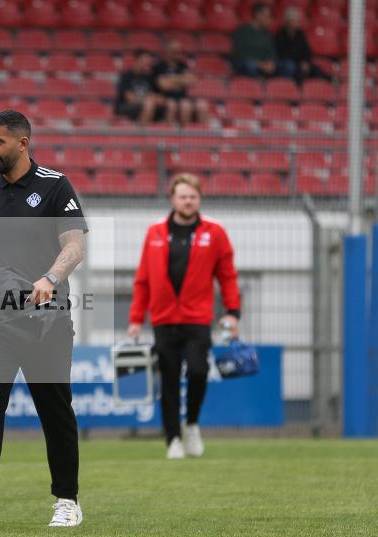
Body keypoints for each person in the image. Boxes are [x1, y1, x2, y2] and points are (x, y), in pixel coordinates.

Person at [0, 110, 87, 530]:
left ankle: (67, 500)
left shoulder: (55, 187)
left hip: (45, 320)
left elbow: (74, 245)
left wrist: (51, 277)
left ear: (22, 143)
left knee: (54, 409)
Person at [127, 174, 241, 460]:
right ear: (173, 198)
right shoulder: (154, 232)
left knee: (199, 370)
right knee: (168, 380)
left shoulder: (214, 232)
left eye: (192, 196)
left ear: (199, 199)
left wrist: (232, 313)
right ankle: (173, 439)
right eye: (182, 196)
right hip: (164, 320)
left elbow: (227, 276)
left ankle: (191, 424)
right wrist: (136, 318)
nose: (188, 201)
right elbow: (143, 280)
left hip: (198, 319)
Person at [153, 39, 209, 125]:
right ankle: (172, 133)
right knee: (180, 105)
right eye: (175, 51)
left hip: (182, 97)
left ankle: (202, 134)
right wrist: (182, 79)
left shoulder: (182, 65)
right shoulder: (159, 66)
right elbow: (164, 86)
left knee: (202, 104)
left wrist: (171, 80)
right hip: (166, 98)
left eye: (179, 51)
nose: (178, 53)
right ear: (167, 51)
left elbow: (192, 81)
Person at [231, 3, 295, 78]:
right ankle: (254, 87)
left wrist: (270, 62)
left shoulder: (267, 34)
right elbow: (240, 53)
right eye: (267, 16)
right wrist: (259, 64)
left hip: (265, 64)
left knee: (288, 65)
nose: (269, 19)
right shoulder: (242, 31)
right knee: (249, 65)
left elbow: (271, 52)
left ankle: (279, 87)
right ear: (258, 15)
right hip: (249, 63)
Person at [274, 7, 330, 85]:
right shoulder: (280, 35)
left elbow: (307, 51)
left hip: (300, 63)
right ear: (287, 21)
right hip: (289, 64)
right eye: (295, 20)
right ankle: (296, 87)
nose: (298, 22)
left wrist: (305, 61)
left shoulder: (300, 34)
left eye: (298, 20)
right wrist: (300, 62)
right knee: (291, 67)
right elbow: (282, 54)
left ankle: (330, 83)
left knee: (315, 69)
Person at [115, 49, 168, 125]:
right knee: (149, 104)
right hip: (126, 106)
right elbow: (129, 97)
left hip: (148, 105)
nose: (148, 63)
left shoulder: (150, 77)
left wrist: (155, 99)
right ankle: (142, 133)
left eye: (148, 61)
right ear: (137, 60)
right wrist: (149, 99)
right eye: (145, 60)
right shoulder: (126, 76)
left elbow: (159, 97)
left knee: (169, 104)